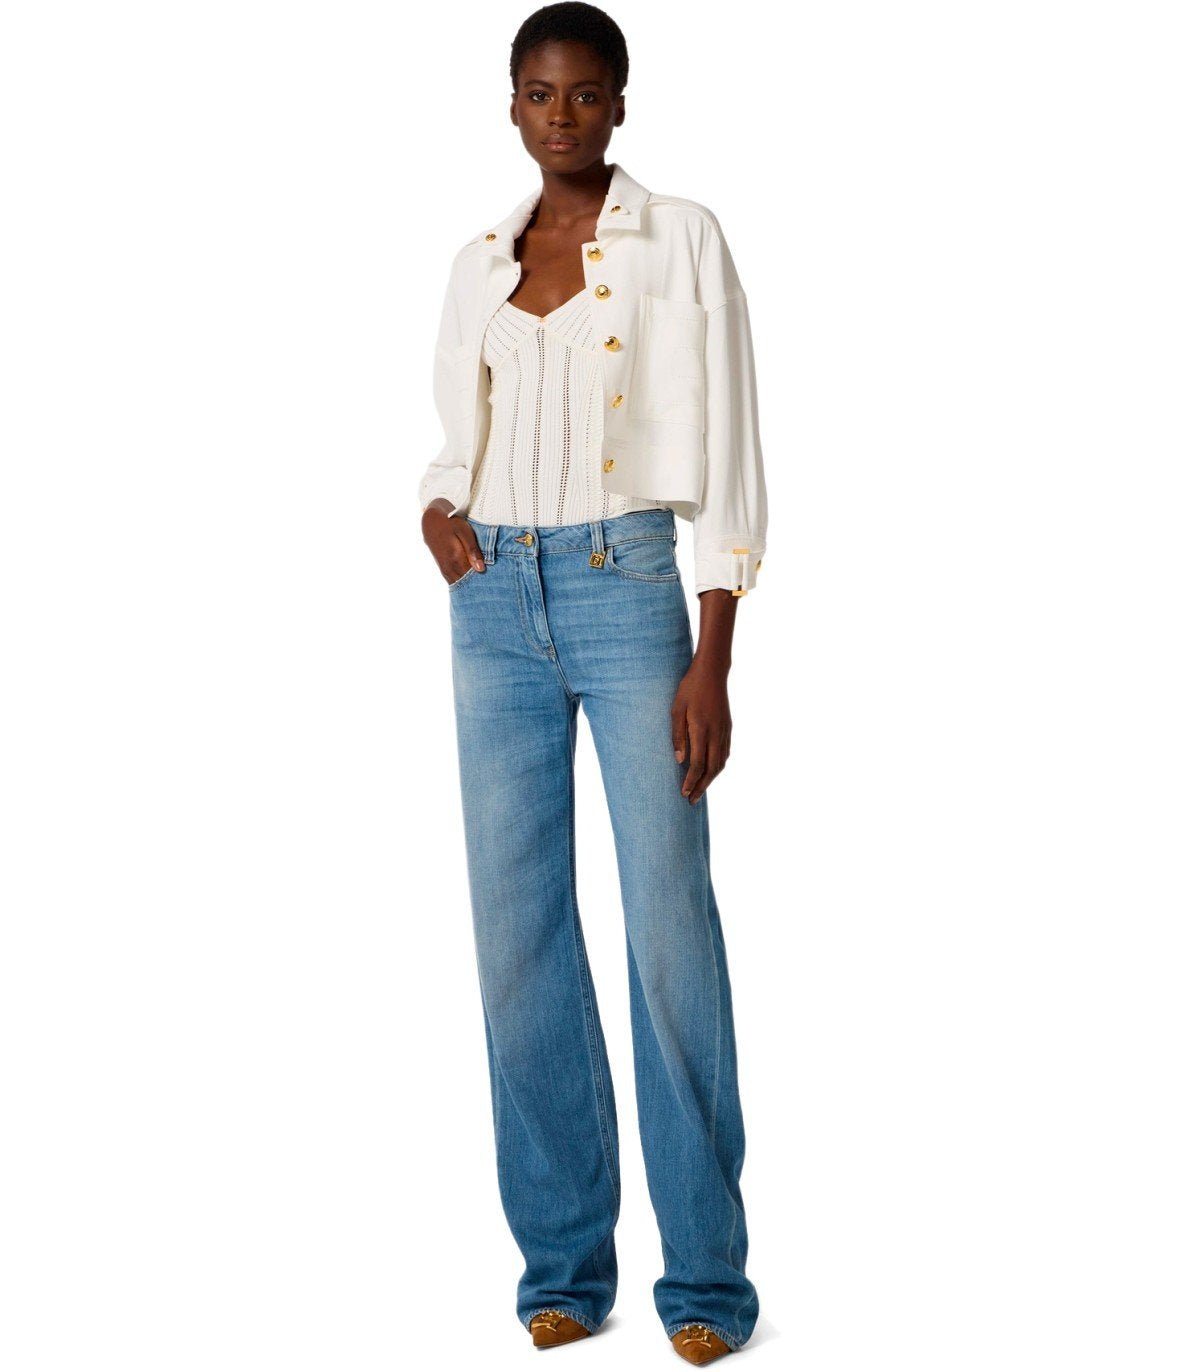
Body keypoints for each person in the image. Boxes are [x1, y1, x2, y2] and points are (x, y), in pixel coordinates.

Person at [417, 4, 768, 1361]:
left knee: (669, 928)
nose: (559, 115)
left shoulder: (682, 239)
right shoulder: (479, 262)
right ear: (512, 105)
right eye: (536, 93)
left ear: (619, 103)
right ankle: (562, 1263)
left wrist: (714, 647)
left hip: (631, 590)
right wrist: (439, 514)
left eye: (582, 93)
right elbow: (457, 433)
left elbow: (732, 440)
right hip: (492, 601)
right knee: (517, 939)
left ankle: (707, 1286)